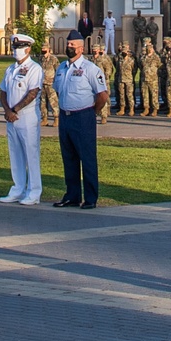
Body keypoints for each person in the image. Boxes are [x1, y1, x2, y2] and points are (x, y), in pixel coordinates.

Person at [53, 33, 109, 209]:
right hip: (65, 116)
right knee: (69, 158)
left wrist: (94, 111)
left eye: (72, 45)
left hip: (83, 117)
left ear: (81, 48)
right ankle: (72, 195)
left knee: (87, 158)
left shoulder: (90, 69)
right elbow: (57, 90)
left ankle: (91, 198)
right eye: (68, 44)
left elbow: (102, 95)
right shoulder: (62, 67)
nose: (69, 47)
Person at [0, 32, 43, 205]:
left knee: (31, 154)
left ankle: (34, 191)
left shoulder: (34, 68)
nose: (16, 50)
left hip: (26, 117)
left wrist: (15, 110)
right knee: (15, 154)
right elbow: (3, 91)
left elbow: (33, 93)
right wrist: (7, 110)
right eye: (14, 47)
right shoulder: (10, 69)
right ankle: (17, 188)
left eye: (19, 48)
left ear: (28, 49)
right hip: (11, 117)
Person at [91, 42, 115, 123]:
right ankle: (93, 114)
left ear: (99, 50)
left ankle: (104, 116)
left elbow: (108, 69)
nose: (94, 51)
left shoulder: (103, 59)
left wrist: (106, 77)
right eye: (93, 49)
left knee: (103, 98)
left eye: (96, 49)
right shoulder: (91, 59)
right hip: (92, 82)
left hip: (101, 81)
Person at [139, 38, 160, 117]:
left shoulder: (156, 57)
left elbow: (159, 66)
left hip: (153, 79)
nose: (149, 50)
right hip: (145, 79)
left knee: (154, 95)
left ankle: (155, 109)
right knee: (145, 95)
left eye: (150, 49)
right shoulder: (144, 57)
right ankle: (146, 109)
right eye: (148, 49)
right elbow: (141, 65)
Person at [40, 42, 59, 125]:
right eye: (42, 49)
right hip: (42, 83)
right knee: (42, 102)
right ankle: (44, 119)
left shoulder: (53, 59)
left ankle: (56, 118)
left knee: (53, 102)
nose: (43, 50)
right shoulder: (41, 58)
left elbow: (58, 70)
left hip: (51, 84)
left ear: (49, 49)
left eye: (45, 49)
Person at [115, 41, 136, 115]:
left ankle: (131, 109)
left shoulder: (131, 61)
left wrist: (131, 76)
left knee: (129, 95)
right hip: (121, 79)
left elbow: (134, 70)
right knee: (122, 95)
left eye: (125, 52)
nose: (124, 53)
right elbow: (117, 69)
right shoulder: (120, 60)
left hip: (129, 80)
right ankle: (122, 109)